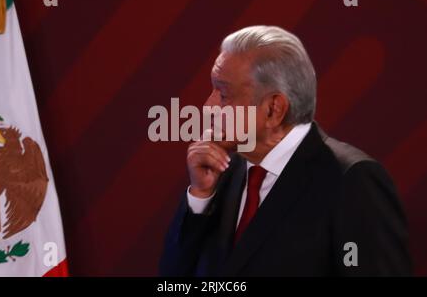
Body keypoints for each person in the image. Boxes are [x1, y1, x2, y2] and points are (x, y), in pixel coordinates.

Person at [159, 25, 411, 276]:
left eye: (223, 94)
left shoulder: (352, 180)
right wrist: (200, 196)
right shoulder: (222, 169)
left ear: (273, 109)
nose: (208, 106)